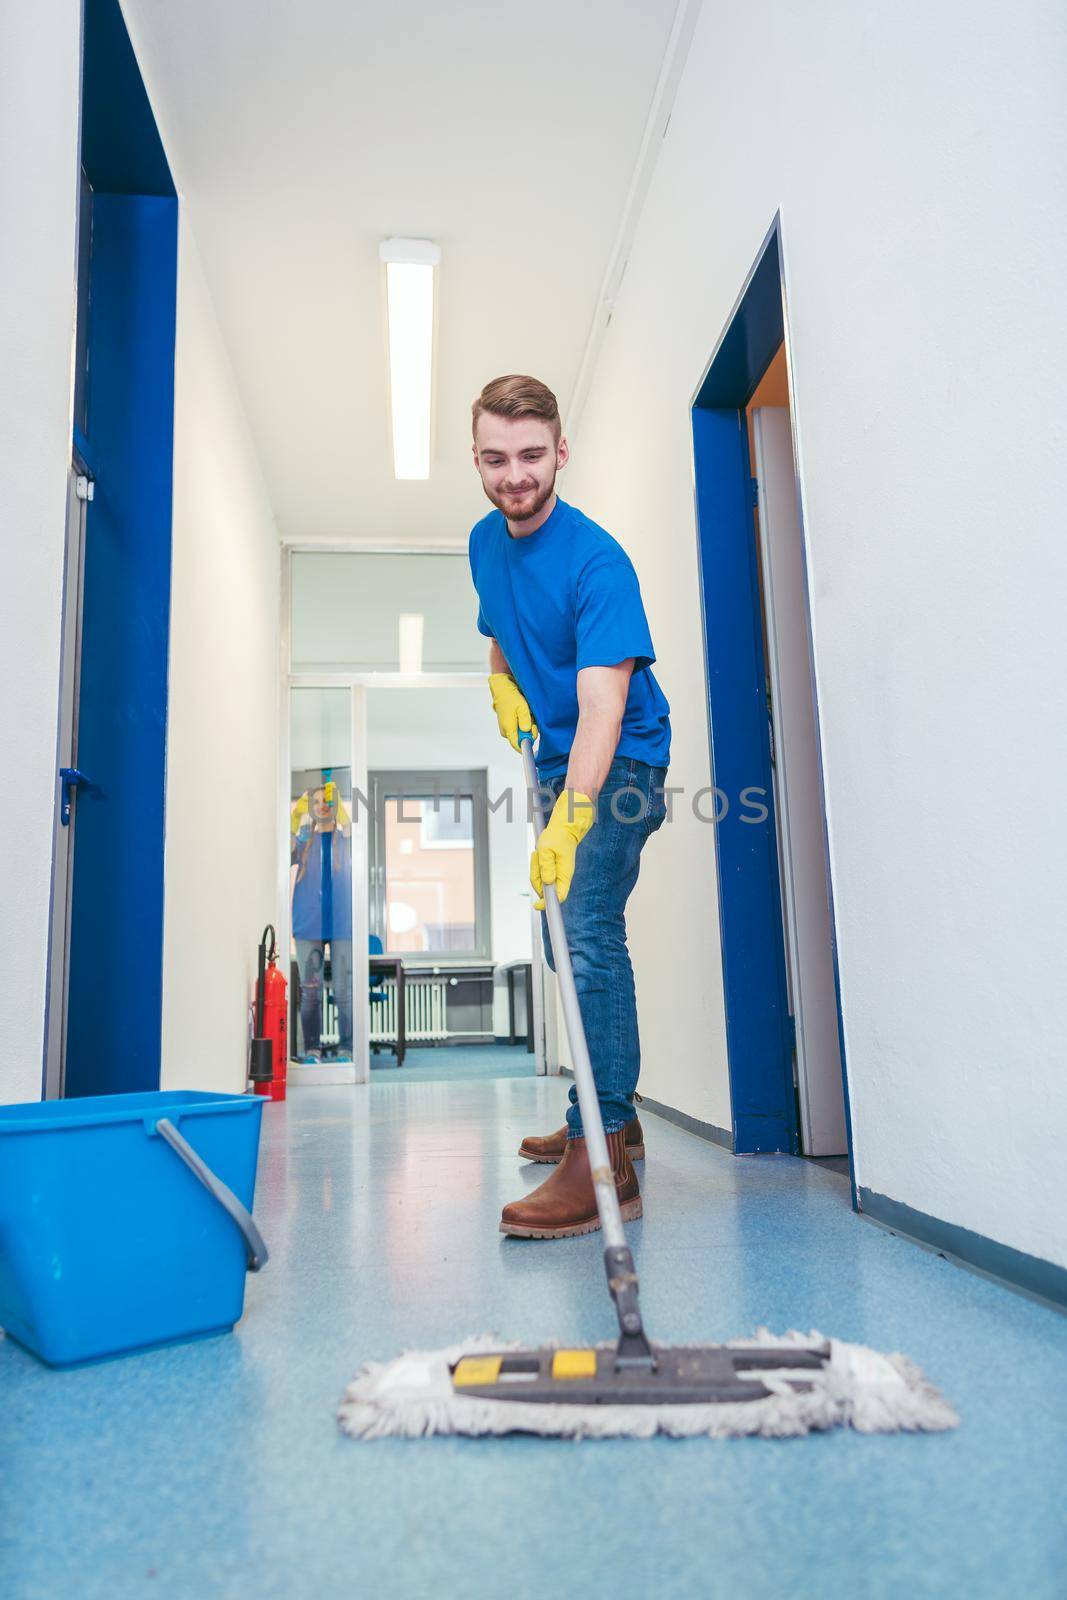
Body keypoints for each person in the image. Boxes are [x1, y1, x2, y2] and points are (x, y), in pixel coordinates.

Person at [468, 374, 671, 1239]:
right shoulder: (484, 540)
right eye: (494, 457)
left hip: (618, 760)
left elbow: (603, 705)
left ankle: (603, 1160)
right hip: (555, 756)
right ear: (476, 458)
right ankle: (611, 1113)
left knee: (584, 925)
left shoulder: (597, 559)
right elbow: (500, 629)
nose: (514, 475)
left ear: (560, 453)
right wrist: (500, 685)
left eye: (530, 456)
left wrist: (571, 814)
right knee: (561, 939)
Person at [290, 781, 354, 1062]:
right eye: (316, 802)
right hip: (308, 924)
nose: (322, 806)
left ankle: (347, 1050)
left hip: (341, 924)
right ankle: (312, 1050)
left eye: (328, 801)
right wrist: (295, 819)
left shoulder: (347, 839)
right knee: (310, 993)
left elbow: (352, 833)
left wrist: (342, 812)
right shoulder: (305, 841)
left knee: (343, 992)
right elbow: (284, 852)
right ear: (311, 809)